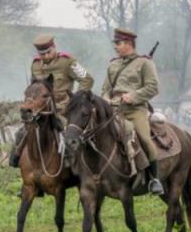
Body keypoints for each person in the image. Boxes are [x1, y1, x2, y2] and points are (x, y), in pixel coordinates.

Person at [9, 33, 94, 168]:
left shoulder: (67, 61)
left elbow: (87, 80)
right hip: (42, 110)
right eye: (43, 54)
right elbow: (34, 87)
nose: (46, 56)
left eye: (49, 52)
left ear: (54, 47)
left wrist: (76, 100)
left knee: (68, 135)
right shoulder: (35, 65)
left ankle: (74, 169)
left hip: (63, 109)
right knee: (22, 132)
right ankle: (22, 168)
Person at [101, 28, 164, 195]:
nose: (115, 47)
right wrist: (106, 99)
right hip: (113, 109)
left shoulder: (145, 63)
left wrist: (134, 96)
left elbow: (153, 87)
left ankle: (154, 179)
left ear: (129, 44)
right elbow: (105, 89)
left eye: (118, 43)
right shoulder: (113, 64)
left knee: (144, 139)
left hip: (134, 110)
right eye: (115, 43)